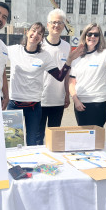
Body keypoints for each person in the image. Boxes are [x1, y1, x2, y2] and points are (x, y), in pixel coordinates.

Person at [7, 22, 84, 146]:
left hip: (33, 107)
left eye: (40, 33)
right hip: (14, 104)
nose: (35, 34)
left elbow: (59, 76)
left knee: (33, 142)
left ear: (41, 38)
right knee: (12, 143)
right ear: (27, 32)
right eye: (33, 30)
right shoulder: (14, 50)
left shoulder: (44, 56)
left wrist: (69, 60)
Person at [69, 23, 106, 126]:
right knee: (84, 135)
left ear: (100, 37)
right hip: (80, 102)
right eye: (89, 34)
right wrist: (75, 100)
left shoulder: (105, 53)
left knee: (97, 136)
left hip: (99, 101)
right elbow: (71, 82)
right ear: (84, 36)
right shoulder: (77, 56)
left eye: (96, 34)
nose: (92, 37)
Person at [37, 9, 71, 145]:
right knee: (37, 135)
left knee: (54, 136)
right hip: (40, 99)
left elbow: (67, 72)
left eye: (60, 23)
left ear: (64, 26)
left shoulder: (67, 46)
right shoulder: (40, 45)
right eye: (53, 22)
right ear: (48, 24)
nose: (56, 25)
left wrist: (67, 94)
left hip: (57, 99)